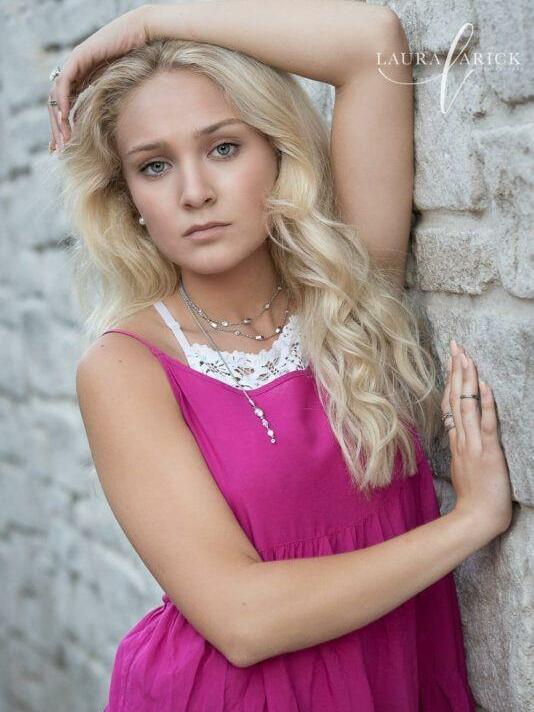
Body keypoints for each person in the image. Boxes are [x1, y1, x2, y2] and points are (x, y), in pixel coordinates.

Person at [47, 2, 513, 710]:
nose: (194, 192)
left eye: (224, 148)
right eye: (154, 166)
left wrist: (147, 22)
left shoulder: (349, 295)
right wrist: (470, 523)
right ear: (129, 196)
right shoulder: (124, 369)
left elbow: (371, 46)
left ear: (278, 152)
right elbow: (242, 619)